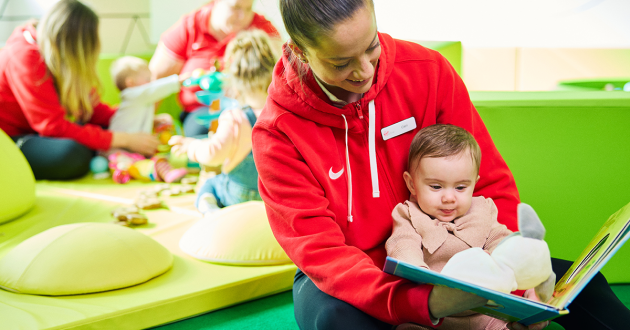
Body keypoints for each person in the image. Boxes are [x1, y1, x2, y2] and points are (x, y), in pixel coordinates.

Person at [250, 0, 630, 329]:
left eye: (371, 47)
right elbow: (323, 253)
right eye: (341, 62)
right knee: (334, 319)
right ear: (299, 51)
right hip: (352, 275)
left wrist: (515, 281)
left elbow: (490, 183)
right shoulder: (277, 134)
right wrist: (423, 304)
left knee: (582, 287)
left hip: (457, 248)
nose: (364, 70)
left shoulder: (428, 71)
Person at [386, 124, 554, 330]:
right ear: (412, 184)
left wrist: (519, 262)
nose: (449, 198)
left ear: (474, 183)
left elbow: (500, 241)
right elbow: (402, 245)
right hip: (435, 310)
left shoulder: (483, 210)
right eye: (436, 187)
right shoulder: (408, 214)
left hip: (483, 312)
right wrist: (419, 271)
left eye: (460, 187)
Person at [0, 0, 159, 180]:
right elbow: (52, 127)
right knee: (72, 154)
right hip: (9, 140)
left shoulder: (61, 58)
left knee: (100, 133)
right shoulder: (25, 57)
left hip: (38, 132)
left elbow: (94, 110)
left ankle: (107, 150)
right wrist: (126, 139)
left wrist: (140, 119)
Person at [169, 29, 277, 213]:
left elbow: (213, 154)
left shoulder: (234, 117)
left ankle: (210, 211)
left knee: (211, 184)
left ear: (233, 78)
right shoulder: (284, 113)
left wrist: (190, 147)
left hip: (238, 195)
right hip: (273, 198)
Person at [149, 0, 280, 137]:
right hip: (201, 113)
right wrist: (145, 124)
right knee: (202, 133)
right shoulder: (189, 28)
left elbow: (281, 76)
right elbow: (154, 81)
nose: (243, 17)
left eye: (248, 9)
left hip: (249, 109)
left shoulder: (262, 30)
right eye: (236, 7)